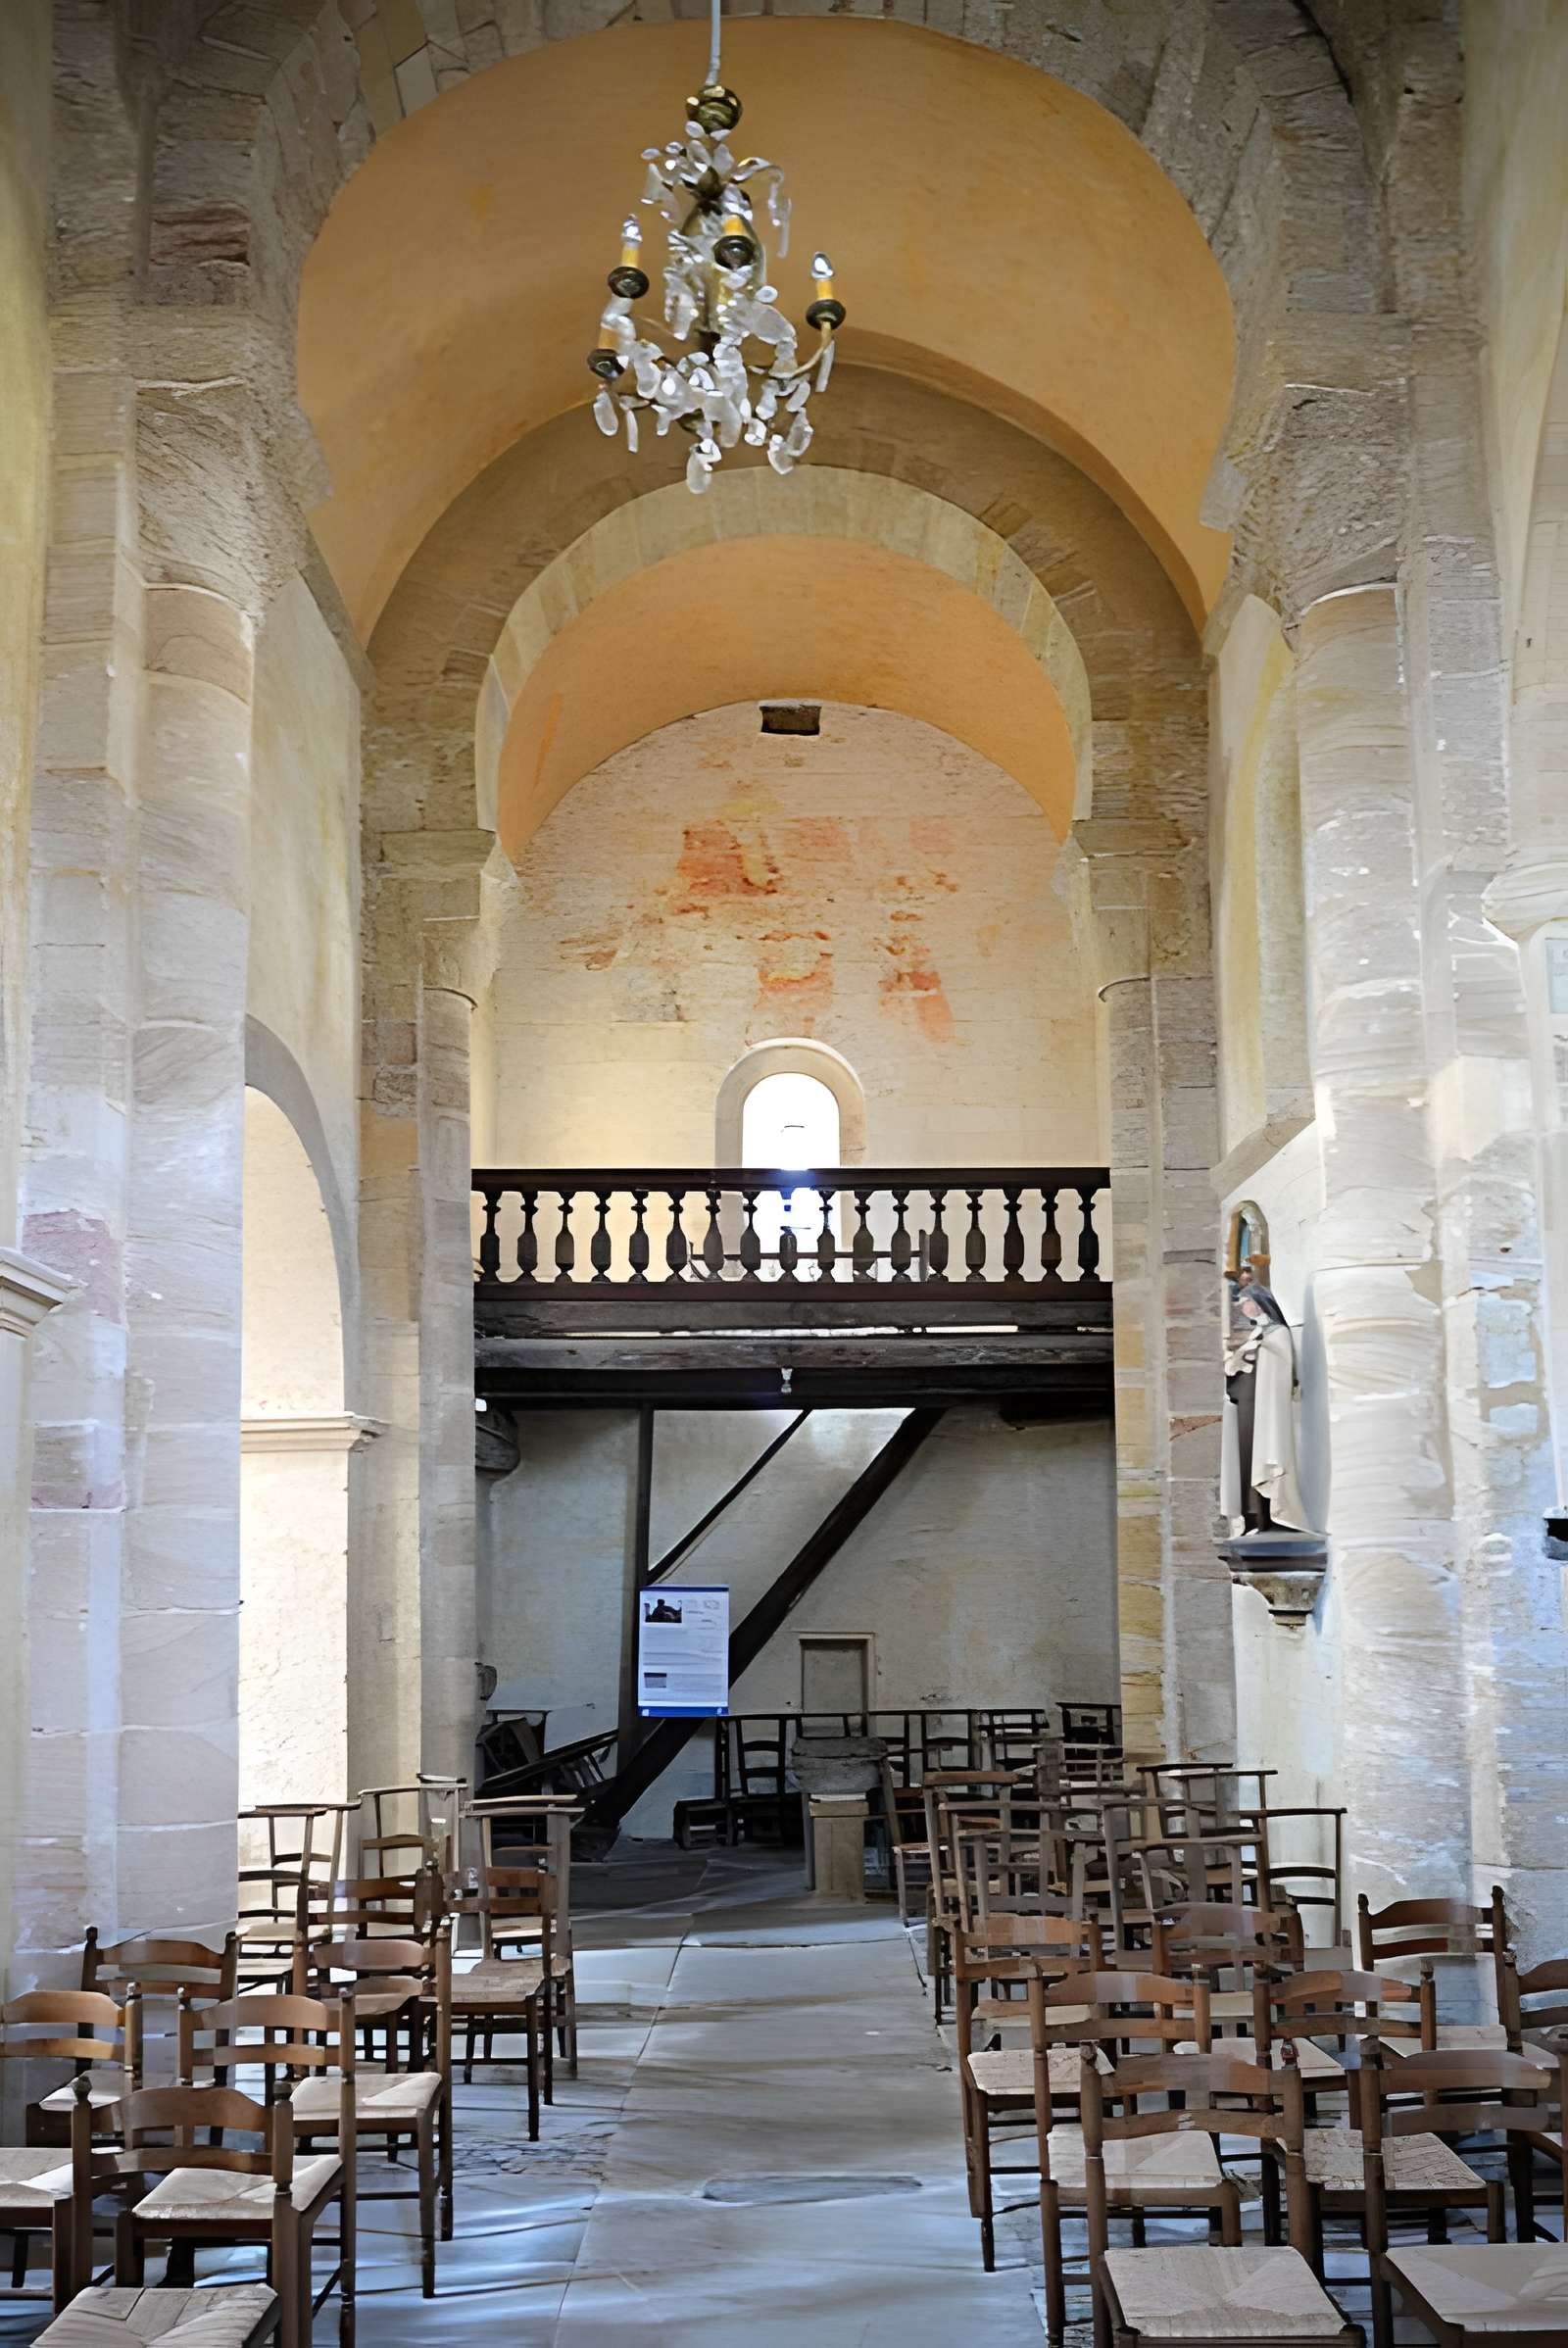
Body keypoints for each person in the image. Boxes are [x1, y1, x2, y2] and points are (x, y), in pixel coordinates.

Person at [1220, 1280, 1314, 1537]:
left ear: (1260, 1303)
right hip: (1250, 1407)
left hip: (1266, 1408)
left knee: (1264, 1456)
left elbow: (1280, 1367)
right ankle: (1253, 1519)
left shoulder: (1278, 1335)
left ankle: (1273, 1516)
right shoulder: (1258, 1334)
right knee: (1247, 1457)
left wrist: (1257, 1352)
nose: (1244, 1307)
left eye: (1248, 1302)